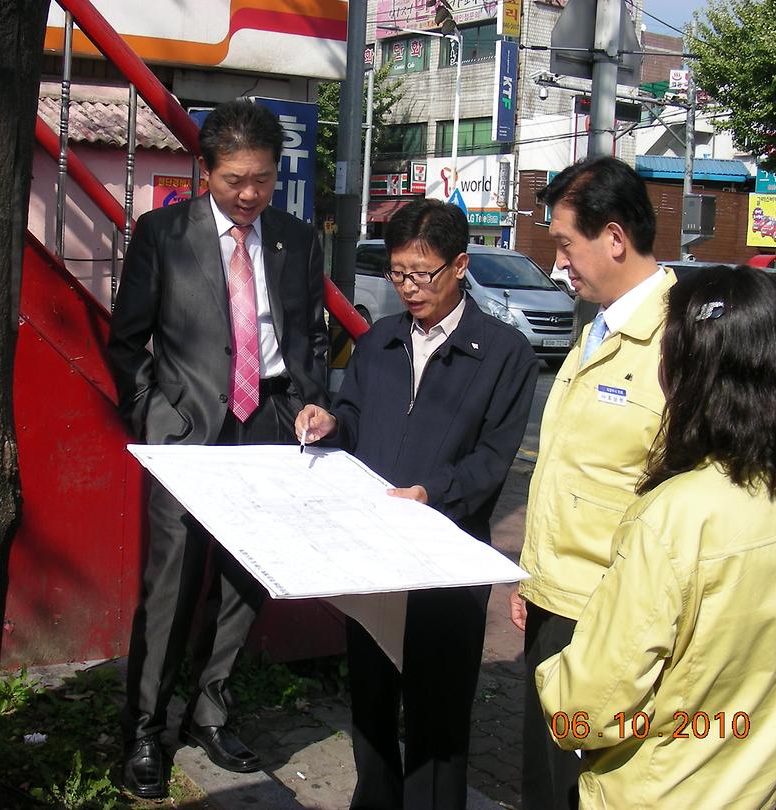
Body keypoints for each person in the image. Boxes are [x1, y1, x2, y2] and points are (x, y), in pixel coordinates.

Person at [536, 265, 776, 808]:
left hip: (657, 791)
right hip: (762, 785)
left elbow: (588, 710)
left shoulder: (676, 519)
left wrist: (552, 680)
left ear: (693, 376)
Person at [107, 99, 329, 799]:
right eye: (235, 180)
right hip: (186, 434)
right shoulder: (162, 234)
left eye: (262, 180)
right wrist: (155, 419)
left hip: (267, 427)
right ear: (206, 172)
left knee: (244, 580)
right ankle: (144, 730)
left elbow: (311, 336)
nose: (250, 195)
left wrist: (305, 402)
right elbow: (126, 341)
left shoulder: (295, 239)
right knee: (170, 586)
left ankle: (210, 710)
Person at [297, 199, 538, 810]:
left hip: (446, 559)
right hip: (374, 554)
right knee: (372, 703)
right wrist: (330, 423)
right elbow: (355, 418)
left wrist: (433, 495)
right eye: (398, 273)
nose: (408, 287)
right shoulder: (379, 342)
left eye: (422, 273)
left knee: (437, 713)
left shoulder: (505, 354)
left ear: (460, 266)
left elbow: (492, 459)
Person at [509, 156, 676, 810]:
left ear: (614, 238)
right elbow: (569, 470)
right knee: (545, 778)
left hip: (614, 617)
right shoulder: (596, 329)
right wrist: (533, 575)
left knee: (596, 784)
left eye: (564, 245)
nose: (559, 264)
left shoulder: (677, 342)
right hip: (558, 602)